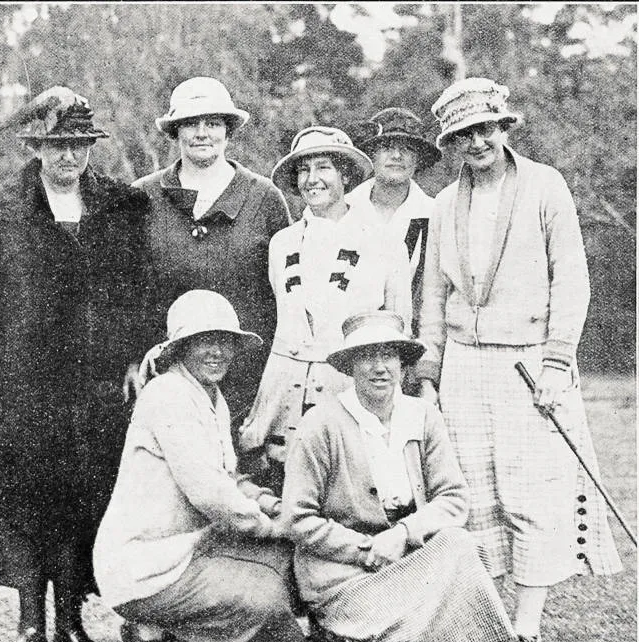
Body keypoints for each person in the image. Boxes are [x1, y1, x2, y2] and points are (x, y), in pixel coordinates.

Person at [0, 86, 154, 642]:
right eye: (58, 145)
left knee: (83, 500)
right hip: (21, 392)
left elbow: (140, 289)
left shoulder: (119, 207)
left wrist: (133, 356)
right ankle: (30, 626)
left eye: (80, 144)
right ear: (36, 146)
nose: (69, 157)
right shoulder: (1, 212)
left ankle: (72, 625)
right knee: (24, 504)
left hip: (94, 389)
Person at [417, 77, 622, 642]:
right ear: (452, 142)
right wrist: (429, 369)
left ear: (505, 128)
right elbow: (432, 294)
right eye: (463, 133)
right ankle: (487, 627)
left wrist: (558, 361)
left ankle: (528, 632)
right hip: (462, 365)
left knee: (531, 497)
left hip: (530, 360)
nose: (477, 141)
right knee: (472, 499)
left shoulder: (544, 185)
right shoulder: (443, 204)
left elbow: (572, 279)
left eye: (486, 128)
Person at [281, 310, 514, 642]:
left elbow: (453, 497)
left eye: (389, 355)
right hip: (343, 574)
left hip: (406, 557)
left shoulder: (423, 416)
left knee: (459, 543)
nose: (379, 367)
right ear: (350, 365)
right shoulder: (320, 424)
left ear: (403, 364)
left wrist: (403, 533)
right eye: (367, 356)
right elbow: (297, 518)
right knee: (411, 635)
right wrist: (365, 549)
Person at [93, 290, 309, 642]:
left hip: (186, 550)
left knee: (285, 567)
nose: (217, 352)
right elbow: (210, 493)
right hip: (145, 566)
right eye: (204, 341)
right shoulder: (167, 395)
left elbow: (227, 477)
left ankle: (175, 630)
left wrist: (270, 503)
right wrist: (274, 526)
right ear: (180, 348)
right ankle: (154, 634)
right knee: (267, 601)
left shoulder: (210, 395)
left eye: (225, 341)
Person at [239, 127, 411, 490]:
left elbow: (400, 330)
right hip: (284, 393)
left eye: (324, 168)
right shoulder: (281, 243)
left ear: (345, 175)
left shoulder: (383, 241)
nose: (312, 179)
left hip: (349, 389)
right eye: (303, 170)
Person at [133, 77, 291, 428]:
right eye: (191, 123)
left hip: (248, 377)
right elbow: (121, 291)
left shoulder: (264, 198)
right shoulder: (141, 197)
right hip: (166, 377)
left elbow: (289, 297)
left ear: (228, 130)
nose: (202, 133)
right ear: (175, 131)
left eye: (213, 123)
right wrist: (129, 359)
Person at [347, 107, 441, 337]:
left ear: (418, 158)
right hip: (346, 339)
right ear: (371, 154)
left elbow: (437, 295)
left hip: (410, 341)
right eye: (387, 147)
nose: (397, 156)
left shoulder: (435, 215)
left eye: (407, 149)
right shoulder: (345, 209)